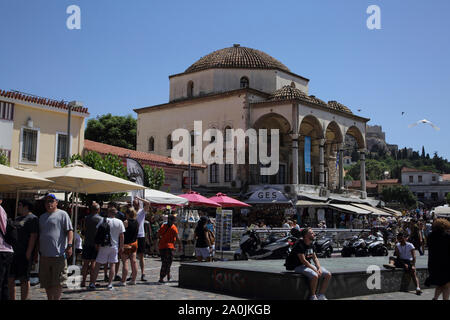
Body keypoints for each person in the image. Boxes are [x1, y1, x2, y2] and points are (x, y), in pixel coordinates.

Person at [38, 194, 73, 300]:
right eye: (47, 201)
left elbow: (69, 230)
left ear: (56, 202)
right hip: (44, 255)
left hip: (58, 254)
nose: (49, 203)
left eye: (51, 201)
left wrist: (70, 245)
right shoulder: (42, 217)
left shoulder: (63, 214)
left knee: (58, 281)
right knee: (46, 281)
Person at [286, 227, 332, 300]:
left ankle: (321, 295)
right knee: (314, 275)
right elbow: (303, 260)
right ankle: (313, 296)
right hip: (298, 266)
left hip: (307, 265)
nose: (314, 234)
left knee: (328, 274)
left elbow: (315, 258)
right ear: (306, 235)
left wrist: (319, 268)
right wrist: (314, 269)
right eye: (311, 233)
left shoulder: (311, 245)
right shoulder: (299, 245)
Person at [8, 200, 38, 300]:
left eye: (20, 205)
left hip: (24, 252)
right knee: (10, 278)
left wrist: (29, 252)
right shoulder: (17, 218)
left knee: (24, 279)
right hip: (13, 252)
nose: (18, 207)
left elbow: (33, 236)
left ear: (26, 206)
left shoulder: (32, 218)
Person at [89, 207, 125, 291]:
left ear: (108, 212)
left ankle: (93, 283)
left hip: (104, 245)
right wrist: (121, 246)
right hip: (114, 246)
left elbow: (97, 232)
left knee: (98, 264)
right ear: (116, 213)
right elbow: (121, 235)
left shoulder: (103, 220)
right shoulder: (119, 222)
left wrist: (97, 243)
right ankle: (109, 284)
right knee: (112, 264)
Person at [426, 218, 450, 300]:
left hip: (433, 264)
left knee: (441, 284)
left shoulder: (430, 236)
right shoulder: (447, 236)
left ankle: (435, 298)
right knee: (446, 284)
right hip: (445, 264)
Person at [80, 203, 102, 288]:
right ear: (98, 210)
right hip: (95, 243)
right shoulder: (100, 219)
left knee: (85, 264)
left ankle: (83, 281)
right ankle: (92, 281)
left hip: (87, 242)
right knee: (93, 263)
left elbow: (83, 230)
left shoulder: (86, 218)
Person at [118, 207, 139, 286]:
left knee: (125, 262)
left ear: (127, 214)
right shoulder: (137, 222)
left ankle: (123, 281)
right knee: (134, 262)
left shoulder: (126, 222)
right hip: (134, 244)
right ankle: (133, 280)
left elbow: (122, 234)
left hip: (126, 244)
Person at [157, 214, 181, 284]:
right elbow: (177, 238)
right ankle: (162, 277)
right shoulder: (174, 228)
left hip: (162, 247)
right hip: (169, 247)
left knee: (164, 262)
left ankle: (168, 276)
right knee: (167, 263)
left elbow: (158, 235)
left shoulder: (163, 226)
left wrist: (161, 240)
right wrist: (180, 245)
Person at [0, 195, 14, 300]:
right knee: (4, 282)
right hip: (5, 249)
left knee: (3, 281)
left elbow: (4, 229)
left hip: (3, 249)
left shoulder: (0, 210)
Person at [134, 198, 148, 282]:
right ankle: (133, 274)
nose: (134, 205)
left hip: (141, 235)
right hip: (133, 236)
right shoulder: (132, 212)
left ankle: (143, 273)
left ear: (139, 204)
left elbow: (148, 203)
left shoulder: (142, 211)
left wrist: (139, 198)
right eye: (133, 203)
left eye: (135, 203)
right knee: (133, 256)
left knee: (141, 256)